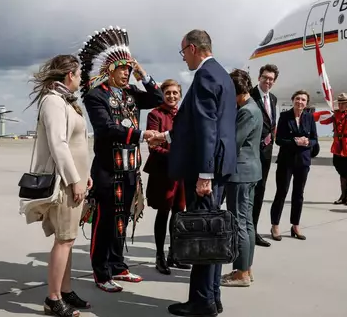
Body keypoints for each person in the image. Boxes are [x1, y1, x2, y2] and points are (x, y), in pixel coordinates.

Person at [150, 29, 237, 316]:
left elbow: (207, 129)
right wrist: (166, 138)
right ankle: (212, 296)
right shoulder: (222, 74)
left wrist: (204, 174)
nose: (183, 58)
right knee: (213, 232)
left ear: (192, 48)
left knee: (202, 236)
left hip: (207, 169)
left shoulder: (205, 76)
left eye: (182, 52)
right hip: (221, 166)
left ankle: (201, 301)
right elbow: (194, 126)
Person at [79, 30, 164, 293]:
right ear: (110, 69)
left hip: (129, 171)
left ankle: (117, 264)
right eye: (123, 69)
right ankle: (101, 271)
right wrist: (141, 134)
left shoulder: (132, 94)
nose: (127, 73)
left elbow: (158, 99)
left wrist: (142, 72)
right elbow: (105, 128)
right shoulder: (96, 96)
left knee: (122, 220)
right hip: (107, 171)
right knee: (104, 222)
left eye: (129, 69)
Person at [22, 54, 93, 317]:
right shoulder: (53, 101)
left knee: (69, 239)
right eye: (78, 74)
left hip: (75, 180)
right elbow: (58, 144)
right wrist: (74, 179)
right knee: (64, 241)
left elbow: (76, 145)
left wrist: (84, 176)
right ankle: (53, 298)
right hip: (64, 183)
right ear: (69, 75)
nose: (81, 79)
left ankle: (65, 290)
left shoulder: (65, 101)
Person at [143, 79, 191, 275]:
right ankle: (159, 256)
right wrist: (176, 156)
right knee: (163, 213)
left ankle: (174, 254)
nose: (172, 96)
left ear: (180, 95)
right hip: (163, 171)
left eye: (175, 93)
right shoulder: (155, 115)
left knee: (179, 213)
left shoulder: (185, 115)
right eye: (168, 92)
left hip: (181, 173)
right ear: (163, 94)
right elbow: (154, 146)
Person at [220, 68, 262, 287]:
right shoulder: (253, 107)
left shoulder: (246, 111)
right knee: (247, 222)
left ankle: (241, 273)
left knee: (239, 223)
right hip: (251, 171)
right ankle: (246, 267)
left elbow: (233, 142)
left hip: (241, 173)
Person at [269, 90, 317, 241]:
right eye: (297, 99)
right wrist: (295, 142)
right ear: (293, 100)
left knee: (298, 194)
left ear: (306, 103)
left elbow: (315, 139)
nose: (300, 102)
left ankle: (295, 225)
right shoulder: (284, 117)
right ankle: (275, 225)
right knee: (281, 193)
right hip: (286, 161)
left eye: (303, 100)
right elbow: (279, 140)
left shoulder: (309, 117)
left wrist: (308, 142)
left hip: (303, 161)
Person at [249, 64, 278, 248]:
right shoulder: (250, 96)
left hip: (266, 155)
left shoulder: (273, 99)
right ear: (259, 77)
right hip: (250, 152)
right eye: (265, 77)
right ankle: (241, 232)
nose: (267, 81)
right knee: (246, 195)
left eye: (271, 79)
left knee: (260, 192)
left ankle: (253, 232)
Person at [320, 92, 347, 205]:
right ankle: (343, 196)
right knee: (341, 171)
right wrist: (327, 113)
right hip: (338, 147)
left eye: (343, 103)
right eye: (339, 103)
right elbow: (323, 122)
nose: (341, 106)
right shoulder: (335, 115)